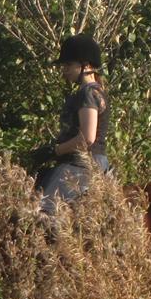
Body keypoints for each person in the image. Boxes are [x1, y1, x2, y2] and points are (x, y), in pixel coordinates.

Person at [30, 33, 112, 215]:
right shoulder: (97, 91)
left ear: (85, 65)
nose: (64, 70)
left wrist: (55, 151)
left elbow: (87, 138)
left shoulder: (87, 94)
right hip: (96, 162)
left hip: (79, 165)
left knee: (39, 213)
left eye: (68, 65)